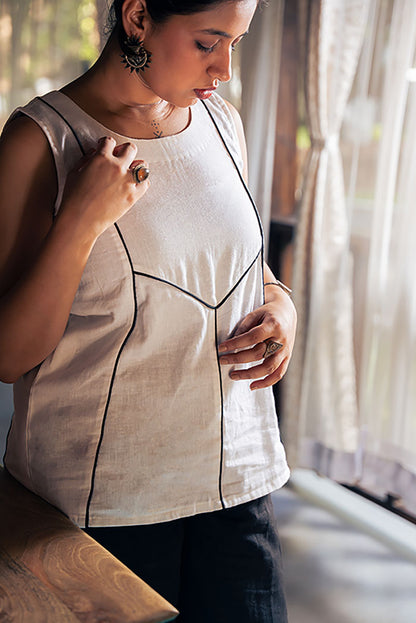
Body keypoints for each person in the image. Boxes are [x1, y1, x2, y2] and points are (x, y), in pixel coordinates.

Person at [0, 0, 297, 621]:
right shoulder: (41, 140)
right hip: (104, 506)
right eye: (208, 42)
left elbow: (246, 268)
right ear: (138, 17)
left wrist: (281, 305)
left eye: (236, 44)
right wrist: (81, 218)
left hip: (237, 486)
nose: (225, 69)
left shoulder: (221, 122)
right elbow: (9, 355)